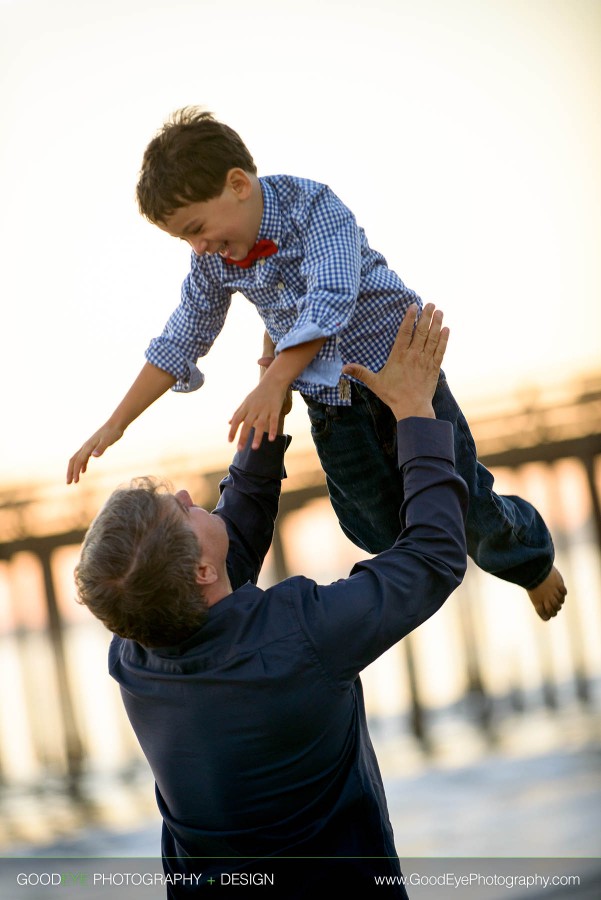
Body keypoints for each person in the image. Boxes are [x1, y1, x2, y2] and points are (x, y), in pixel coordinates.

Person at [67, 107, 566, 622]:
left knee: (465, 502)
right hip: (333, 401)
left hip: (401, 375)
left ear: (237, 184)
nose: (198, 246)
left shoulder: (314, 207)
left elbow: (330, 299)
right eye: (185, 240)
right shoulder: (213, 260)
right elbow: (183, 332)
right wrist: (115, 423)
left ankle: (531, 565)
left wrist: (275, 379)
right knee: (372, 526)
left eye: (197, 228)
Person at [74, 304, 467, 897]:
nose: (186, 495)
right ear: (201, 570)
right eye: (180, 511)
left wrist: (272, 388)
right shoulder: (297, 638)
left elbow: (237, 528)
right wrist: (415, 412)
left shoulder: (136, 651)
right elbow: (433, 558)